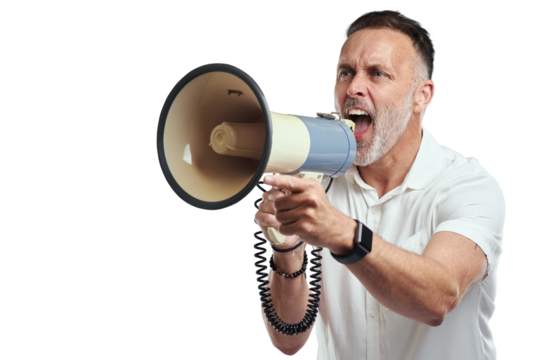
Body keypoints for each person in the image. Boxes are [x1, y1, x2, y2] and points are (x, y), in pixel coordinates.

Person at [254, 8, 505, 360]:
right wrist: (287, 248)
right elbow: (289, 342)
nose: (354, 87)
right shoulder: (318, 182)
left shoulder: (468, 185)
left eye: (377, 73)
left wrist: (342, 233)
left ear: (423, 95)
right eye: (346, 72)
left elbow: (439, 298)